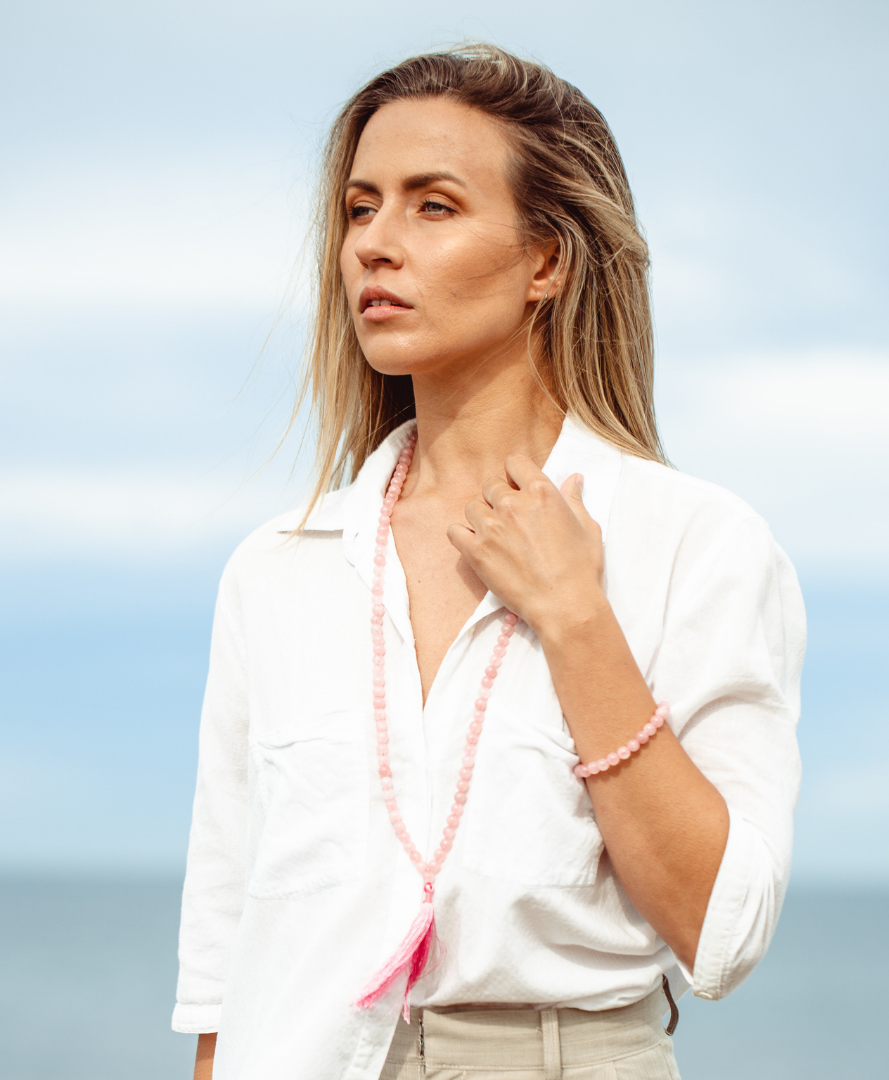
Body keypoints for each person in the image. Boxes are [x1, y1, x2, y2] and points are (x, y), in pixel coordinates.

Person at [172, 43, 805, 1080]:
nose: (375, 244)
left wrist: (577, 621)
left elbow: (721, 932)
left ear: (546, 261)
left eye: (433, 206)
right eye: (361, 207)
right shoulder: (278, 569)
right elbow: (223, 951)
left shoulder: (696, 543)